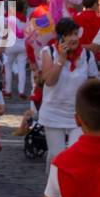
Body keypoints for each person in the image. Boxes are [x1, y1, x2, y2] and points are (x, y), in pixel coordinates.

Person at [39, 18, 99, 165]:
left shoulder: (86, 55)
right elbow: (49, 81)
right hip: (53, 111)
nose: (73, 38)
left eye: (75, 34)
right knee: (56, 155)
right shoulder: (49, 52)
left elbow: (93, 83)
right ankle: (53, 185)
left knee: (75, 155)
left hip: (77, 115)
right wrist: (61, 59)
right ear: (61, 37)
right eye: (69, 35)